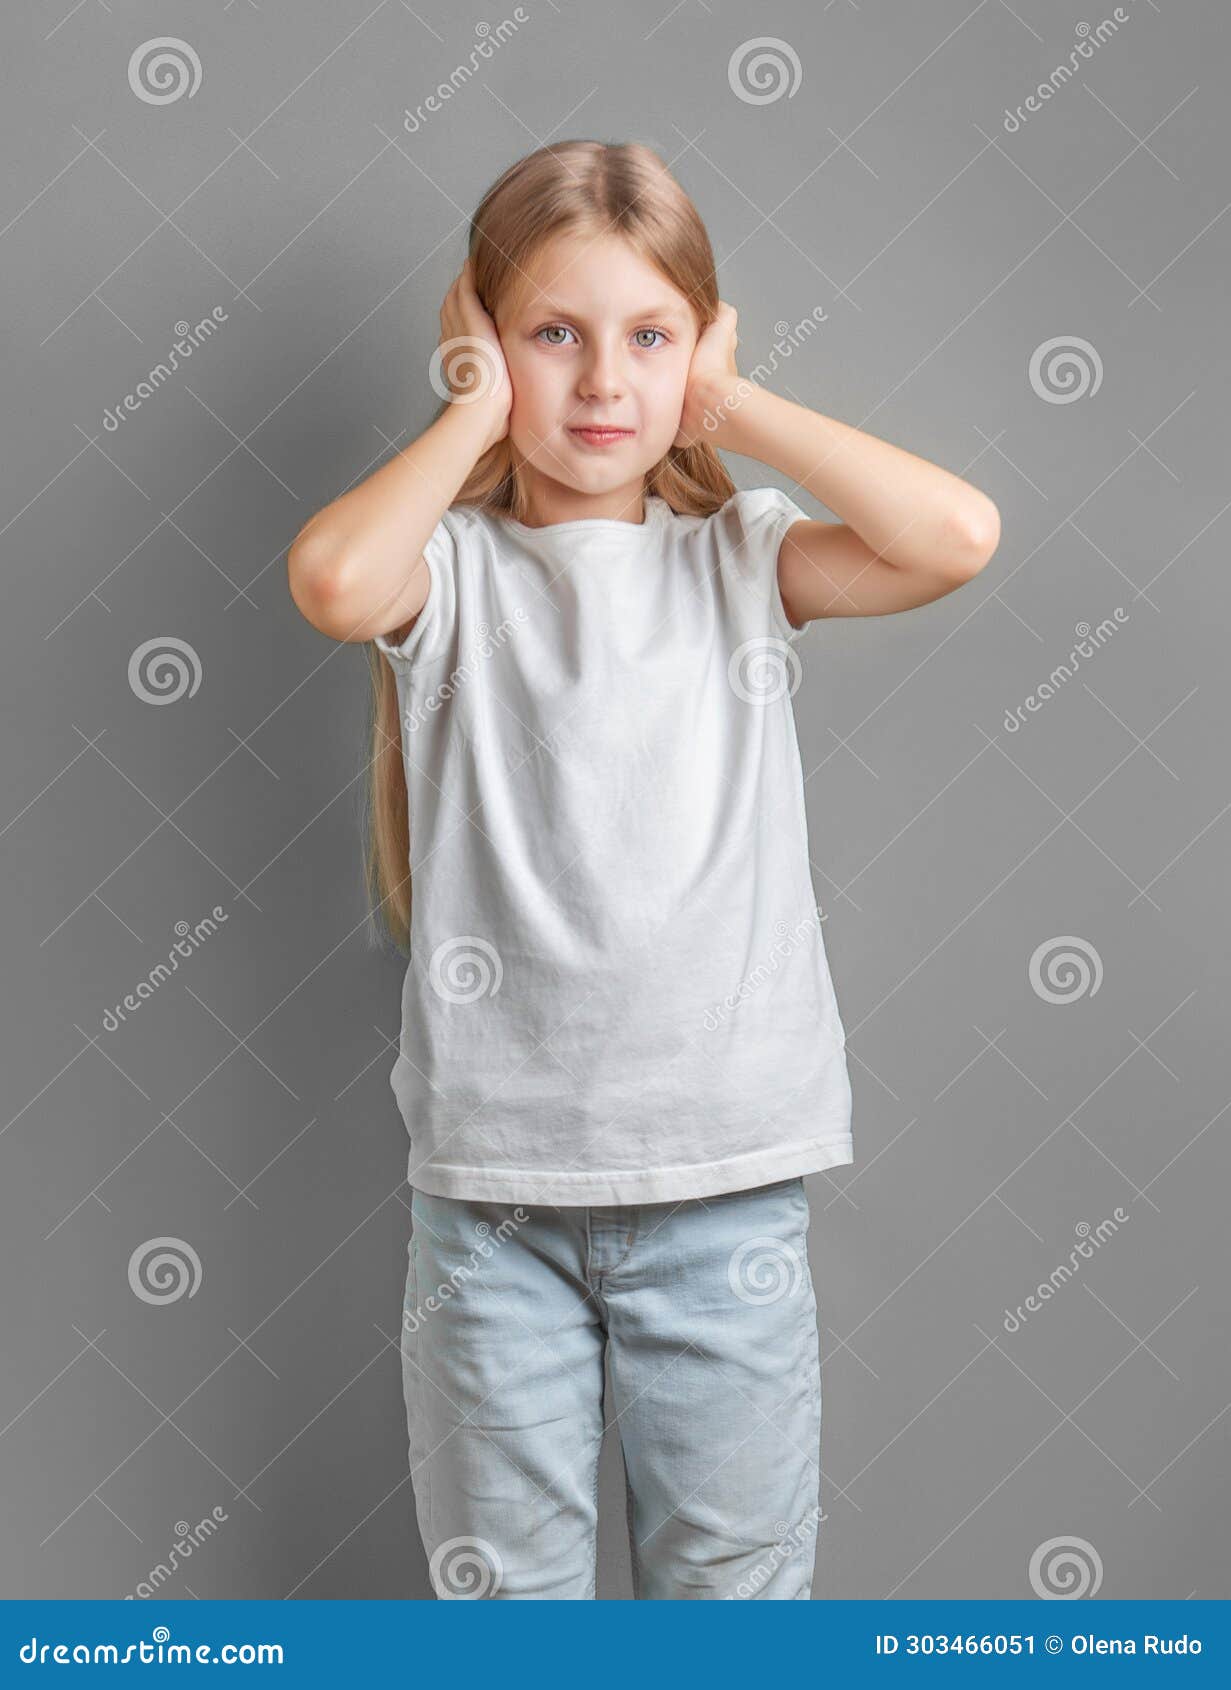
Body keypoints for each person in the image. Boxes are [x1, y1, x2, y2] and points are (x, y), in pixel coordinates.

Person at [287, 139, 999, 1599]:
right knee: (510, 1613)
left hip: (722, 1190)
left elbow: (955, 536)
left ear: (701, 348)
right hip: (494, 1204)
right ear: (483, 342)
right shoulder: (455, 575)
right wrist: (470, 411)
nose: (605, 383)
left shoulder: (739, 560)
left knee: (732, 1607)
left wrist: (733, 407)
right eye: (554, 335)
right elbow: (335, 580)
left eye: (651, 339)